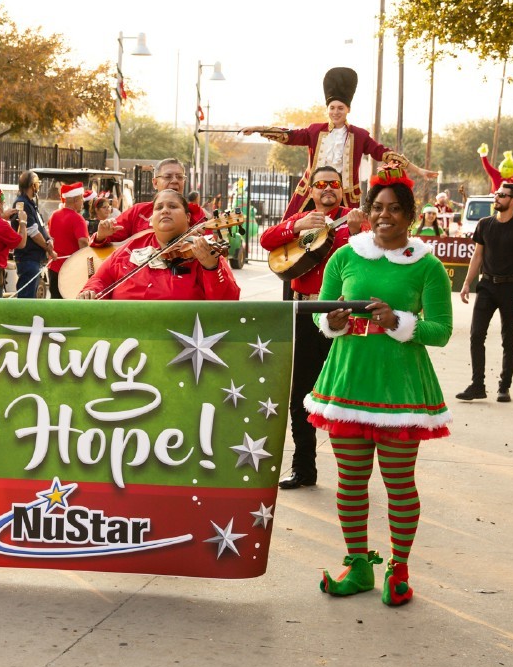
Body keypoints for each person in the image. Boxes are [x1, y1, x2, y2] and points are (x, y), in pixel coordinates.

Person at [303, 169, 452, 606]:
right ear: (367, 213)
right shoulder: (344, 257)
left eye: (395, 209)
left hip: (400, 390)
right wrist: (328, 322)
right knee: (350, 482)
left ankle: (398, 569)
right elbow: (321, 312)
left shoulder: (427, 266)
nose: (384, 216)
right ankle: (358, 565)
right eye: (377, 208)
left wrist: (399, 322)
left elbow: (441, 330)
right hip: (347, 381)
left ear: (410, 216)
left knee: (399, 483)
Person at [258, 165, 364, 489]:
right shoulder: (304, 219)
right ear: (312, 190)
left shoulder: (356, 219)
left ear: (342, 188)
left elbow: (376, 255)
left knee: (345, 394)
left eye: (334, 183)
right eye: (321, 184)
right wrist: (296, 224)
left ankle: (353, 473)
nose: (327, 188)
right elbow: (266, 240)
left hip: (343, 314)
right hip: (304, 312)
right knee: (301, 394)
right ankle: (304, 469)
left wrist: (360, 232)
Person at [241, 67, 434, 219]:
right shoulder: (315, 130)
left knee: (347, 235)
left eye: (340, 108)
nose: (335, 112)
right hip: (312, 190)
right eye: (332, 108)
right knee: (290, 228)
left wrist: (418, 170)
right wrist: (257, 128)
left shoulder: (359, 135)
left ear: (348, 109)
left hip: (345, 194)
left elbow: (384, 153)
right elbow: (288, 135)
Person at [78, 190, 239, 302]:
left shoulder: (202, 250)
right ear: (150, 219)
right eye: (159, 208)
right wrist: (90, 292)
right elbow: (100, 278)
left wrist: (211, 268)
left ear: (188, 217)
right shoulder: (131, 248)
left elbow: (228, 302)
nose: (165, 211)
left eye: (173, 206)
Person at [457, 182, 513, 402]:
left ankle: (504, 387)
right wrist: (466, 283)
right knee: (476, 335)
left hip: (511, 287)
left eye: (502, 195)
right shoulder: (484, 224)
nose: (497, 198)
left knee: (508, 339)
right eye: (497, 194)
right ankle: (477, 385)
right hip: (487, 286)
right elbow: (477, 256)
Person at [92, 158, 206, 245]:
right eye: (168, 177)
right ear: (155, 183)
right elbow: (105, 240)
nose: (175, 180)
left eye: (180, 177)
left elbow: (210, 253)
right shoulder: (138, 211)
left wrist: (197, 241)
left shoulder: (196, 214)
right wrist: (100, 236)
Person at [9, 171, 54, 298]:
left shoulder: (30, 204)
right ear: (33, 185)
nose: (38, 186)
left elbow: (40, 226)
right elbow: (32, 232)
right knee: (26, 298)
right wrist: (48, 247)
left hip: (33, 258)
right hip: (28, 258)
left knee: (30, 297)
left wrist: (48, 239)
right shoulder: (23, 204)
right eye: (37, 183)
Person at [47, 182, 90, 299]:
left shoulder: (54, 215)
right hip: (70, 269)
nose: (83, 202)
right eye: (81, 199)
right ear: (76, 199)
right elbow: (83, 242)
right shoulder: (78, 219)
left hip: (53, 266)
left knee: (55, 300)